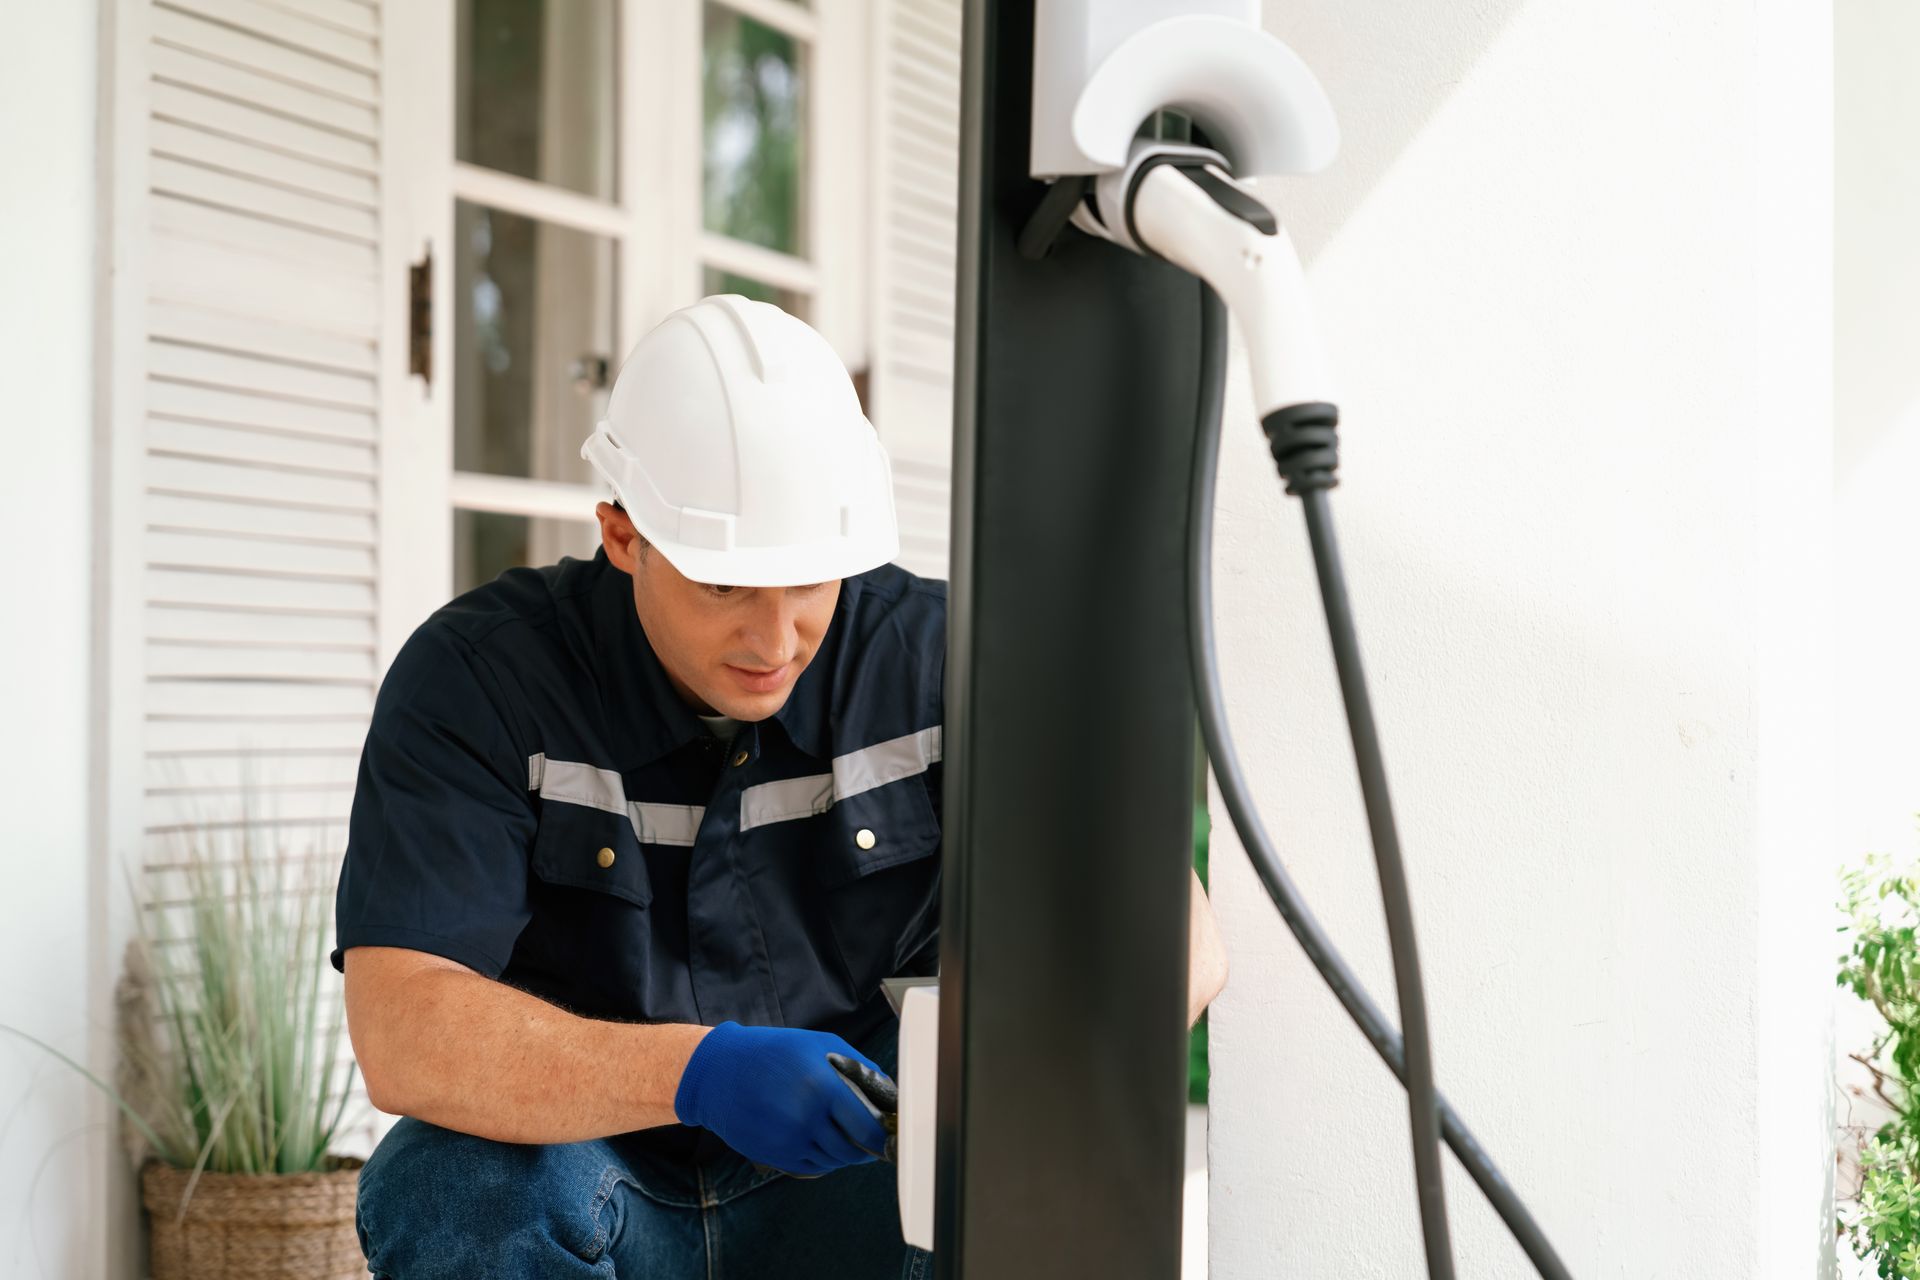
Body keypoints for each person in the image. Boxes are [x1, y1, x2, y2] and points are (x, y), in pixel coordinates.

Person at [334, 294, 1230, 1278]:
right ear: (623, 534)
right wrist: (694, 1072)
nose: (774, 641)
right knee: (449, 1185)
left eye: (810, 580)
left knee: (1054, 1168)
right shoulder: (479, 678)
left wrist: (1016, 1089)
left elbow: (1176, 934)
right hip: (595, 1175)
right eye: (725, 585)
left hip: (861, 1186)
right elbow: (404, 1030)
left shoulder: (950, 667)